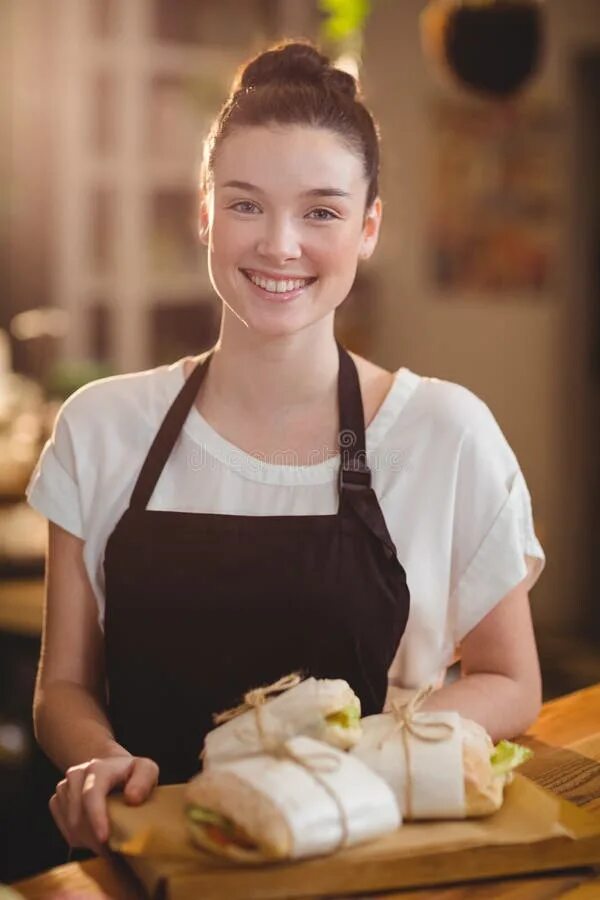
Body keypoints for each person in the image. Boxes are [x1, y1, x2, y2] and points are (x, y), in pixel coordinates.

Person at [26, 40, 545, 856]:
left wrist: (349, 754)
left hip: (366, 858)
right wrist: (102, 762)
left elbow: (512, 682)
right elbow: (63, 688)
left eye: (322, 211)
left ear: (368, 228)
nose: (279, 244)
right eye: (244, 205)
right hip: (154, 856)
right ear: (203, 213)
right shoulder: (101, 428)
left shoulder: (445, 434)